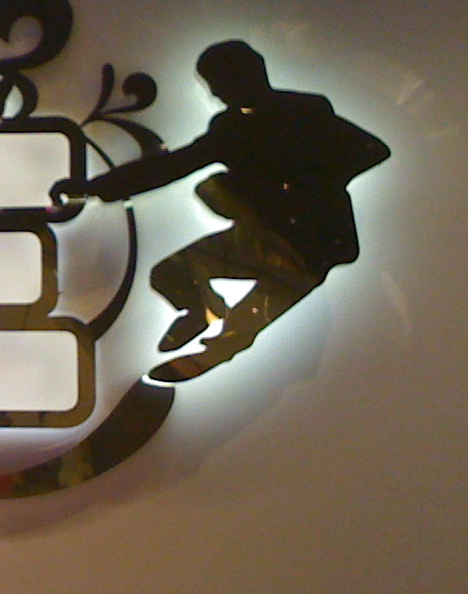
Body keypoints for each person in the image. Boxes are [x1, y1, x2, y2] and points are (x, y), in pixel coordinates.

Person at [53, 40, 390, 381]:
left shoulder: (306, 111)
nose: (215, 93)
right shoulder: (231, 128)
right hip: (261, 236)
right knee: (169, 273)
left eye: (219, 83)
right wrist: (93, 188)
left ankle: (208, 355)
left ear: (249, 73)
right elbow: (172, 166)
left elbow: (372, 150)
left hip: (313, 246)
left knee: (249, 318)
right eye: (212, 85)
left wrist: (307, 189)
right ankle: (202, 311)